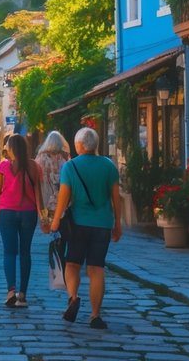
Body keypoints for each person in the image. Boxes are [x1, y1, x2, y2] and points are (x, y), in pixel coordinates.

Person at [49, 127, 123, 330]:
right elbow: (116, 197)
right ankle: (95, 314)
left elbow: (63, 198)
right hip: (102, 224)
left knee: (72, 264)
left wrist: (55, 221)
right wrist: (118, 223)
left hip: (77, 225)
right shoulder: (109, 166)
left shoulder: (70, 166)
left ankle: (73, 298)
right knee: (96, 268)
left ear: (79, 145)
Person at [0, 134, 45, 308]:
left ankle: (11, 290)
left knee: (9, 252)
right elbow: (38, 194)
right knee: (25, 252)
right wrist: (43, 216)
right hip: (29, 213)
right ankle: (23, 295)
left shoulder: (3, 166)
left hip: (7, 213)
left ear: (11, 149)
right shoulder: (34, 166)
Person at [35, 130, 71, 234]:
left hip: (44, 195)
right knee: (62, 222)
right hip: (61, 196)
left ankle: (49, 230)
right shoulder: (64, 157)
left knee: (47, 222)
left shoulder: (40, 157)